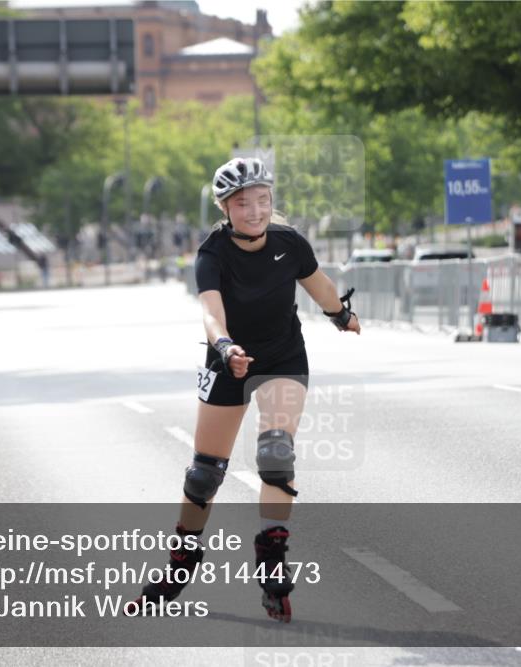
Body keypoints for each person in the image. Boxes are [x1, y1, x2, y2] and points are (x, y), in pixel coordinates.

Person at [125, 157, 361, 623]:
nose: (254, 211)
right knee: (204, 474)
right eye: (242, 203)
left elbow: (319, 285)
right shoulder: (212, 253)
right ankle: (180, 564)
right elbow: (211, 313)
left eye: (262, 200)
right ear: (225, 208)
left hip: (282, 357)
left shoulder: (289, 243)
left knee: (276, 454)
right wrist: (226, 347)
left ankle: (272, 560)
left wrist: (341, 315)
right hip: (227, 358)